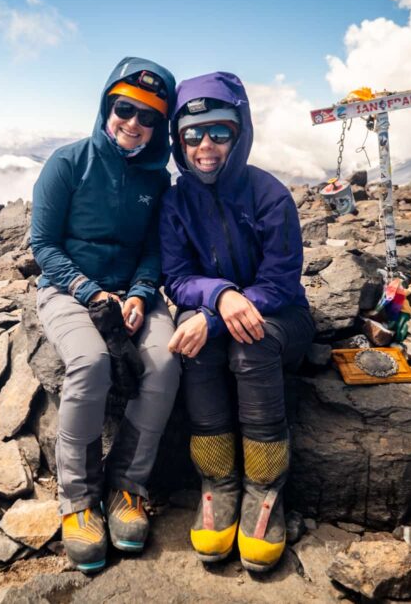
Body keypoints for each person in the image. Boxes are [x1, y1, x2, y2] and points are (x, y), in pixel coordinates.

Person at [160, 72, 316, 572]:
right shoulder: (175, 201)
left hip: (281, 318)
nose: (206, 146)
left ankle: (264, 489)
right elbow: (177, 277)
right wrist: (220, 298)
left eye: (220, 132)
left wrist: (220, 315)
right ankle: (219, 482)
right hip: (216, 310)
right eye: (193, 135)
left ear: (239, 133)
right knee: (196, 347)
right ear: (179, 142)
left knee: (249, 347)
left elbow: (282, 283)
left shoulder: (269, 195)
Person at [30, 57, 181, 573]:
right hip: (68, 291)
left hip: (133, 294)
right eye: (123, 109)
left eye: (149, 119)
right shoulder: (68, 163)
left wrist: (139, 293)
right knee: (91, 363)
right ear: (106, 106)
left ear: (160, 127)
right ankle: (77, 499)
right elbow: (44, 246)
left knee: (165, 363)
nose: (133, 124)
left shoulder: (158, 181)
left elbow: (154, 250)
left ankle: (127, 487)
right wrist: (90, 292)